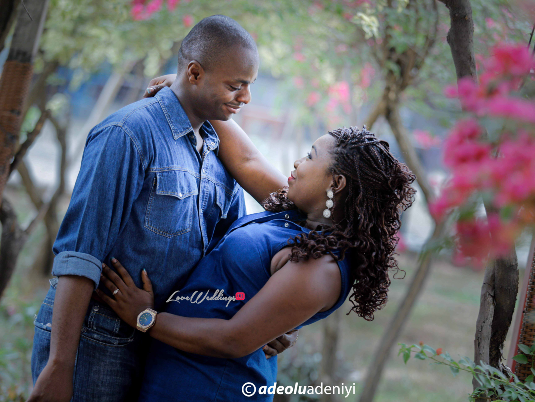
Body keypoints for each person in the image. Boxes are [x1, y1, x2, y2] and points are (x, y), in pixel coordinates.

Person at [29, 15, 296, 402]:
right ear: (194, 73)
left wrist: (267, 320)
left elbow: (228, 259)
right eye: (235, 86)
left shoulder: (219, 154)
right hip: (93, 340)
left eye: (249, 86)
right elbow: (79, 255)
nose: (246, 98)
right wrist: (59, 366)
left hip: (157, 342)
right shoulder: (129, 134)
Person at [95, 126, 417, 401]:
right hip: (175, 376)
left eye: (310, 156)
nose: (297, 162)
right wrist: (188, 91)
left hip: (213, 388)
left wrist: (145, 318)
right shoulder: (295, 214)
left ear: (336, 183)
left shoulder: (323, 268)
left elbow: (234, 339)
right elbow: (247, 160)